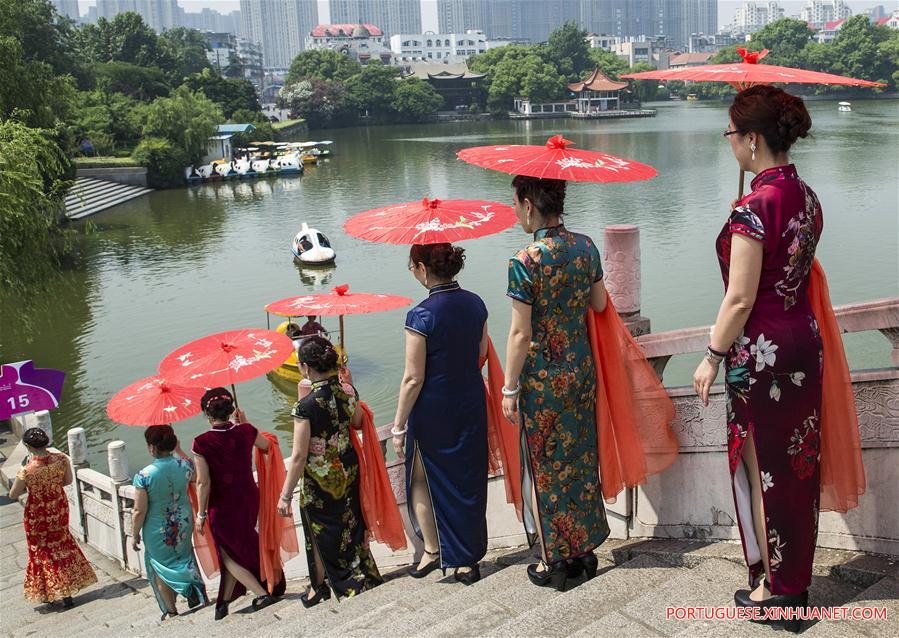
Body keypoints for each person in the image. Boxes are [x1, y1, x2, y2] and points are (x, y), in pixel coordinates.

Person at [692, 85, 856, 633]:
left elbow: (739, 298)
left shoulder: (752, 207)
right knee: (795, 467)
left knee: (761, 466)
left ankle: (775, 589)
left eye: (732, 135)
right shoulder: (808, 198)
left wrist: (712, 356)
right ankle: (793, 583)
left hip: (759, 351)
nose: (730, 144)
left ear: (753, 139)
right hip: (802, 341)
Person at [501, 175, 610, 592]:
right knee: (580, 461)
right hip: (580, 375)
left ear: (529, 205)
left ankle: (555, 560)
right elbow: (599, 303)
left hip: (542, 384)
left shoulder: (525, 261)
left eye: (514, 203)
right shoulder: (585, 247)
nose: (515, 212)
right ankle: (584, 550)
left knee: (544, 468)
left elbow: (519, 335)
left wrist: (510, 387)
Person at [391, 243, 490, 585]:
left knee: (419, 477)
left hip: (434, 407)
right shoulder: (476, 303)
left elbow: (412, 378)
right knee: (466, 478)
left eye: (411, 266)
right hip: (471, 398)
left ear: (421, 267)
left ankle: (434, 549)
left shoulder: (420, 315)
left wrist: (399, 424)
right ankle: (467, 557)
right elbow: (482, 353)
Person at [278, 335, 383, 606]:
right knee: (351, 522)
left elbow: (300, 455)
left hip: (321, 478)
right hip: (348, 467)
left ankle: (333, 585)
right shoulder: (347, 391)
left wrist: (285, 494)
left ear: (306, 368)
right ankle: (358, 575)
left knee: (321, 531)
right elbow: (358, 421)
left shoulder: (305, 406)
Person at [191, 388, 283, 620]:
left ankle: (262, 593)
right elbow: (267, 446)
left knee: (227, 553)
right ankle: (222, 603)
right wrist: (246, 423)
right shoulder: (246, 431)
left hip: (222, 504)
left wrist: (201, 514)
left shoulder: (201, 442)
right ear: (231, 410)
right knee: (236, 547)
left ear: (207, 414)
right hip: (249, 496)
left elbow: (203, 482)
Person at [8, 428, 97, 607]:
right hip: (58, 507)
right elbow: (68, 481)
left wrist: (30, 485)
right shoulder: (62, 459)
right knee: (62, 542)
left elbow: (12, 494)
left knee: (42, 550)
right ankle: (67, 591)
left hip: (37, 514)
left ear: (27, 446)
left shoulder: (27, 470)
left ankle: (50, 591)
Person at [131, 425, 207, 620]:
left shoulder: (144, 475)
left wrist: (134, 534)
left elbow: (139, 510)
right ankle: (197, 591)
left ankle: (172, 611)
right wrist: (179, 451)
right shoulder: (184, 465)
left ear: (152, 447)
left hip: (158, 529)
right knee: (185, 556)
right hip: (183, 521)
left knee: (161, 567)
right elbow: (198, 479)